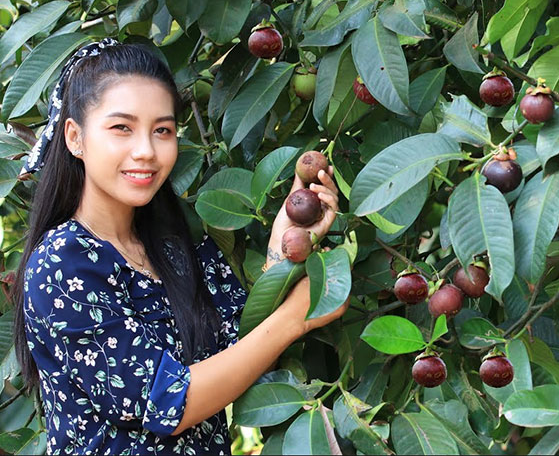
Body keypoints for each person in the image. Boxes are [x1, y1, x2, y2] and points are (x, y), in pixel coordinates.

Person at [11, 38, 347, 454]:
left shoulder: (178, 248)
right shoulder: (62, 262)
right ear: (75, 137)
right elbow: (169, 401)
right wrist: (299, 315)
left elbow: (244, 352)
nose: (146, 151)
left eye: (162, 131)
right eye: (122, 128)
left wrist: (282, 246)